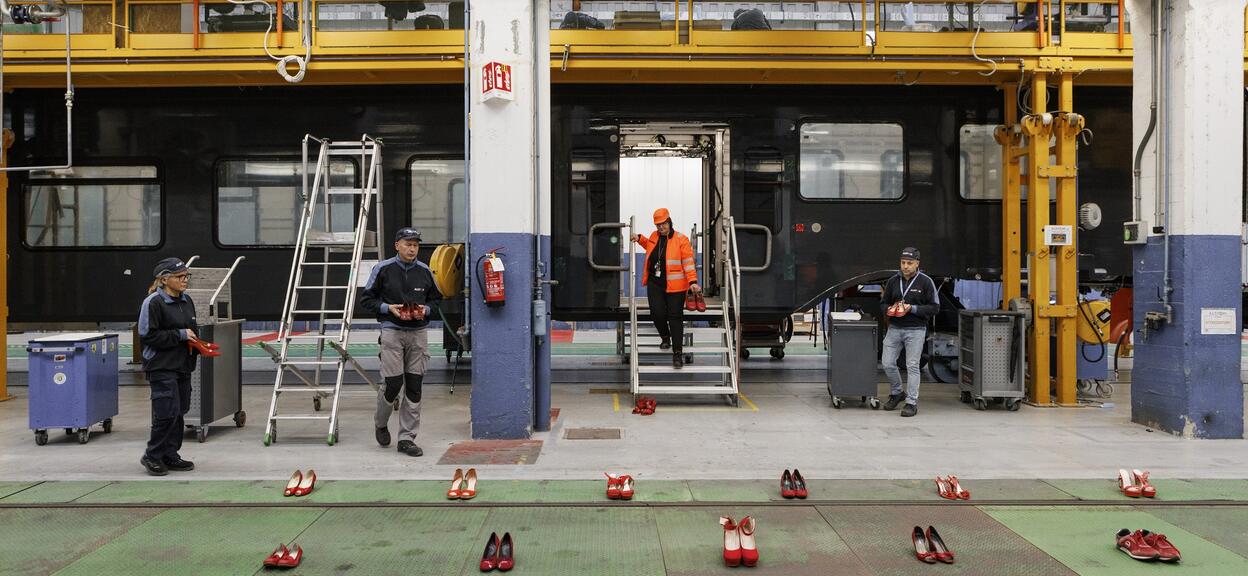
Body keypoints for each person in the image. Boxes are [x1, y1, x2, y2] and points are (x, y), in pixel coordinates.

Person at [359, 227, 442, 457]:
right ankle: (380, 422)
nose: (412, 248)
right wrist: (388, 308)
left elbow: (436, 301)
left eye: (415, 245)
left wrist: (425, 310)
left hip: (418, 334)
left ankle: (406, 438)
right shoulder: (383, 269)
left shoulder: (426, 272)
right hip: (392, 332)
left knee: (414, 387)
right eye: (408, 244)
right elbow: (366, 300)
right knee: (393, 384)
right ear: (397, 245)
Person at [138, 257, 201, 476]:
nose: (185, 280)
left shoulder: (186, 301)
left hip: (182, 365)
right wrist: (180, 335)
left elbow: (192, 328)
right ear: (164, 280)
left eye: (186, 276)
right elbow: (148, 336)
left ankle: (170, 454)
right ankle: (152, 455)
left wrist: (199, 344)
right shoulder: (154, 303)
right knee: (166, 412)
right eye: (180, 277)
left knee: (180, 411)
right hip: (161, 366)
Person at [633, 208, 700, 369]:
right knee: (656, 313)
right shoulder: (654, 236)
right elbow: (649, 246)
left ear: (669, 222)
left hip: (676, 286)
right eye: (658, 225)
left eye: (663, 224)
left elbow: (688, 262)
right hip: (655, 283)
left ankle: (677, 354)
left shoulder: (681, 239)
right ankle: (665, 336)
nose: (661, 227)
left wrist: (693, 281)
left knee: (675, 318)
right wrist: (639, 238)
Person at [879, 247, 940, 417]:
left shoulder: (926, 282)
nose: (905, 266)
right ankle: (897, 392)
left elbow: (935, 308)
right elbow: (883, 303)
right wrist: (889, 310)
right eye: (903, 263)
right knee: (887, 363)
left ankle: (911, 402)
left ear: (917, 264)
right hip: (895, 329)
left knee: (912, 366)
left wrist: (911, 308)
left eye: (909, 263)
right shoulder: (893, 281)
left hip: (916, 330)